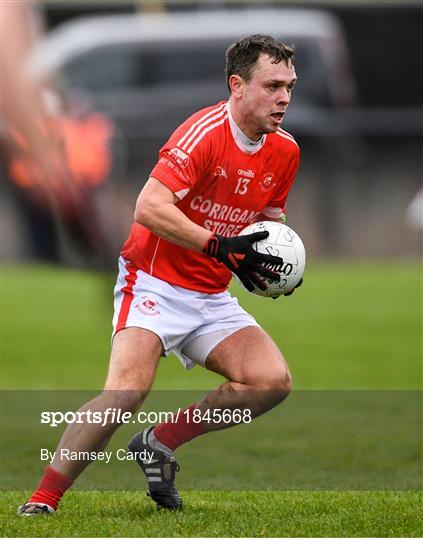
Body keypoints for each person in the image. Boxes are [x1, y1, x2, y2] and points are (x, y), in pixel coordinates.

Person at [18, 33, 302, 515]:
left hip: (210, 294)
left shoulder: (285, 151)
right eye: (272, 85)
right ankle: (43, 500)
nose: (284, 98)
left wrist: (270, 264)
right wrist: (219, 245)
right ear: (237, 85)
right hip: (153, 281)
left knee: (271, 381)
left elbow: (267, 223)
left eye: (290, 86)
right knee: (127, 390)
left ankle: (158, 441)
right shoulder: (204, 133)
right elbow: (148, 207)